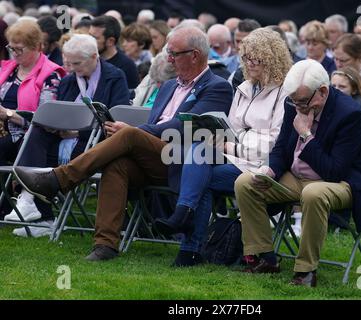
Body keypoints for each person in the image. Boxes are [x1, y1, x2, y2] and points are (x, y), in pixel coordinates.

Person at [14, 26, 233, 259]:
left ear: (195, 55)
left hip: (185, 162)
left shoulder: (217, 87)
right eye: (169, 53)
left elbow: (184, 127)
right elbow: (155, 125)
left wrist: (135, 132)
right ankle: (105, 244)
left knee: (129, 135)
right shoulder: (169, 85)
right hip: (154, 158)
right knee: (116, 165)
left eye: (174, 54)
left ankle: (58, 179)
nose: (168, 59)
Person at [234, 59, 361, 287]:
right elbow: (282, 147)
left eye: (302, 101)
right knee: (245, 182)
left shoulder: (350, 114)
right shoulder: (292, 103)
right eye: (293, 100)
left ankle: (306, 271)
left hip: (342, 183)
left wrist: (305, 135)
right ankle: (264, 257)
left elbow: (334, 170)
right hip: (297, 176)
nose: (297, 106)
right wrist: (270, 169)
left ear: (322, 91)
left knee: (313, 193)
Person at [153, 28, 292, 266]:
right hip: (236, 157)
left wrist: (232, 146)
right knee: (199, 148)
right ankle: (186, 226)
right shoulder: (245, 88)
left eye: (256, 57)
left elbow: (275, 142)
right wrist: (220, 138)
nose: (249, 62)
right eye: (246, 56)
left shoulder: (285, 92)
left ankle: (188, 241)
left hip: (265, 165)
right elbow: (232, 128)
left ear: (271, 57)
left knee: (201, 176)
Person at [5, 34, 130, 237]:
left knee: (46, 150)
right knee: (36, 131)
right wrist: (57, 127)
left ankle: (34, 204)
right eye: (68, 62)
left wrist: (77, 131)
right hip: (64, 140)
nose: (71, 68)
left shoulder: (115, 77)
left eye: (77, 63)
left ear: (94, 57)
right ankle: (35, 208)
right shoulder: (69, 80)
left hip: (95, 143)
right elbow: (61, 113)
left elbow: (115, 118)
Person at [0, 20, 65, 219]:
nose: (14, 53)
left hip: (33, 135)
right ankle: (7, 205)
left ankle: (19, 204)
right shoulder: (7, 69)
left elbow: (44, 120)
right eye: (11, 47)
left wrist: (9, 115)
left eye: (19, 49)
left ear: (37, 47)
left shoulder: (50, 75)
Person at [89, 15, 140, 89]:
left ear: (110, 41)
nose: (89, 41)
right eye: (89, 36)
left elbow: (131, 97)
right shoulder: (86, 60)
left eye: (95, 38)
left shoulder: (127, 66)